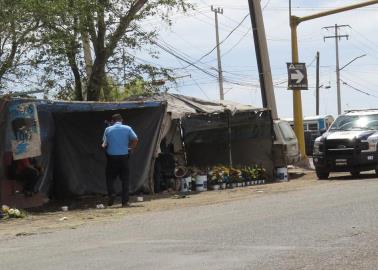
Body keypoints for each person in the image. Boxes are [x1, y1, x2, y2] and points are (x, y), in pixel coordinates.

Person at [102, 113, 138, 207]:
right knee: (125, 179)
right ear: (121, 120)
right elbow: (135, 139)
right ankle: (125, 202)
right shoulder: (128, 128)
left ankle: (112, 194)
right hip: (124, 156)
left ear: (112, 121)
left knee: (110, 178)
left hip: (111, 157)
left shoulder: (107, 129)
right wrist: (131, 148)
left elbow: (104, 144)